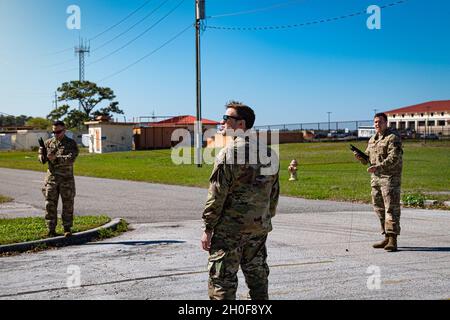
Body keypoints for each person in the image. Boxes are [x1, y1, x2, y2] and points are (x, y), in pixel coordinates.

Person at [201, 101, 280, 300]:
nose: (222, 122)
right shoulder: (269, 153)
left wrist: (208, 228)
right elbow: (274, 195)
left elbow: (217, 195)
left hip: (230, 231)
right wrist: (263, 219)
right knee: (258, 278)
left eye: (227, 118)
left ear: (241, 124)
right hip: (258, 228)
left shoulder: (228, 154)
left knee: (222, 281)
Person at [354, 113, 403, 252]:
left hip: (390, 178)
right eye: (375, 122)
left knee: (391, 208)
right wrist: (360, 157)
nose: (377, 124)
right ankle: (386, 236)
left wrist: (379, 167)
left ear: (386, 122)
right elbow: (367, 160)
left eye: (380, 122)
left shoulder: (393, 138)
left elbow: (395, 157)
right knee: (379, 207)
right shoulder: (372, 140)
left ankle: (393, 239)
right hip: (375, 178)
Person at [39, 121, 79, 237]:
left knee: (68, 204)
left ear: (64, 130)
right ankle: (51, 229)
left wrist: (55, 158)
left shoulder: (71, 143)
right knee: (49, 204)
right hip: (51, 179)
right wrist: (42, 155)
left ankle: (67, 228)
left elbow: (70, 159)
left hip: (66, 179)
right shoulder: (48, 143)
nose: (56, 134)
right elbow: (41, 159)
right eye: (54, 132)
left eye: (58, 131)